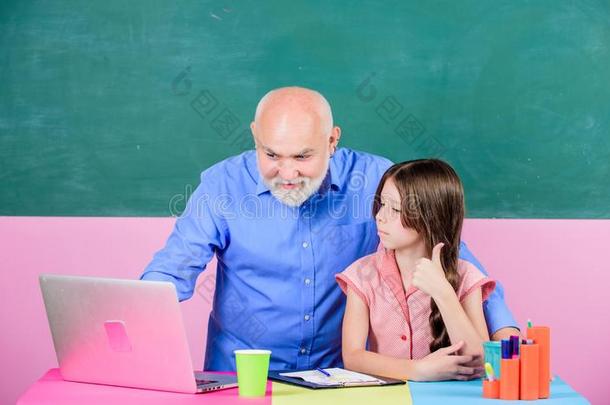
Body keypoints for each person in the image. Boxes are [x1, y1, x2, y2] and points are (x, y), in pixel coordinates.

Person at [140, 87, 519, 375]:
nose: (286, 175)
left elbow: (450, 254)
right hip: (242, 377)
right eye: (271, 155)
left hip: (339, 380)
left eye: (303, 156)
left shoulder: (375, 179)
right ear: (254, 135)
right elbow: (173, 268)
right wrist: (132, 319)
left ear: (332, 140)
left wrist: (505, 336)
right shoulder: (221, 186)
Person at [338, 159, 494, 381]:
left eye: (395, 208)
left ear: (430, 216)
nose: (380, 216)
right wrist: (417, 370)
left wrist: (443, 293)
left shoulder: (466, 275)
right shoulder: (362, 274)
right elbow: (353, 357)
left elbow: (480, 361)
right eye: (382, 204)